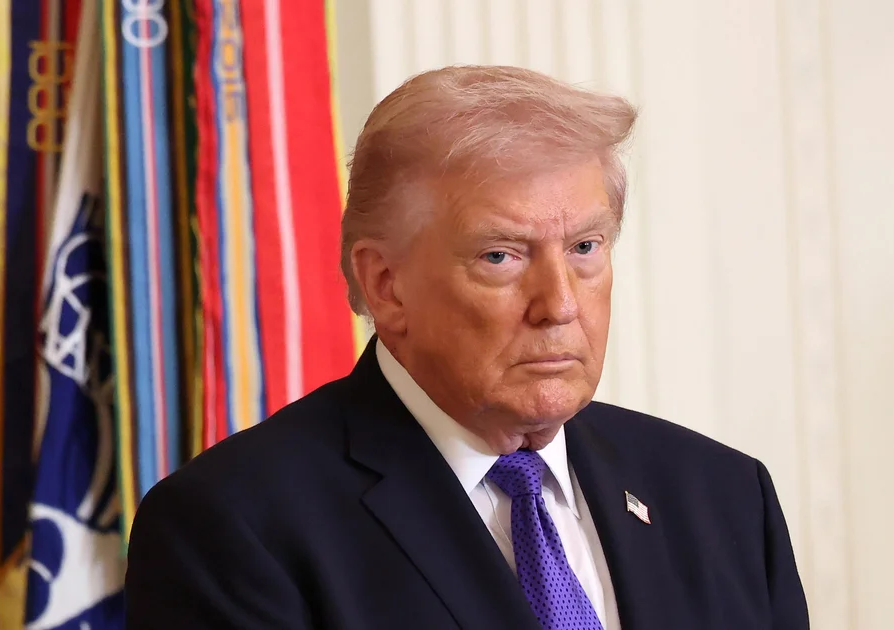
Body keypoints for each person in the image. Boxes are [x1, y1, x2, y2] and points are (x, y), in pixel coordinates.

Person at [124, 65, 809, 630]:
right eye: (501, 256)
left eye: (584, 247)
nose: (561, 304)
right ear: (386, 286)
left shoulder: (721, 496)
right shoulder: (236, 527)